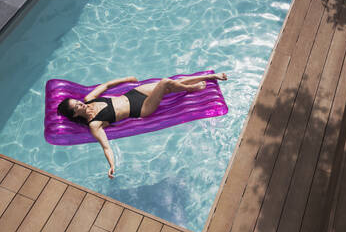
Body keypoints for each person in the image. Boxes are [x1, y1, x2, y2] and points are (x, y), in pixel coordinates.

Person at [57, 73, 227, 179]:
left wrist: (127, 79)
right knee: (166, 83)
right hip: (141, 108)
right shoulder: (94, 124)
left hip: (134, 94)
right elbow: (106, 146)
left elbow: (106, 85)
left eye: (78, 102)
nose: (81, 104)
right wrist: (112, 166)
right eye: (77, 107)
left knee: (169, 83)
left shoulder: (89, 100)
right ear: (75, 114)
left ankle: (212, 76)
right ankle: (191, 89)